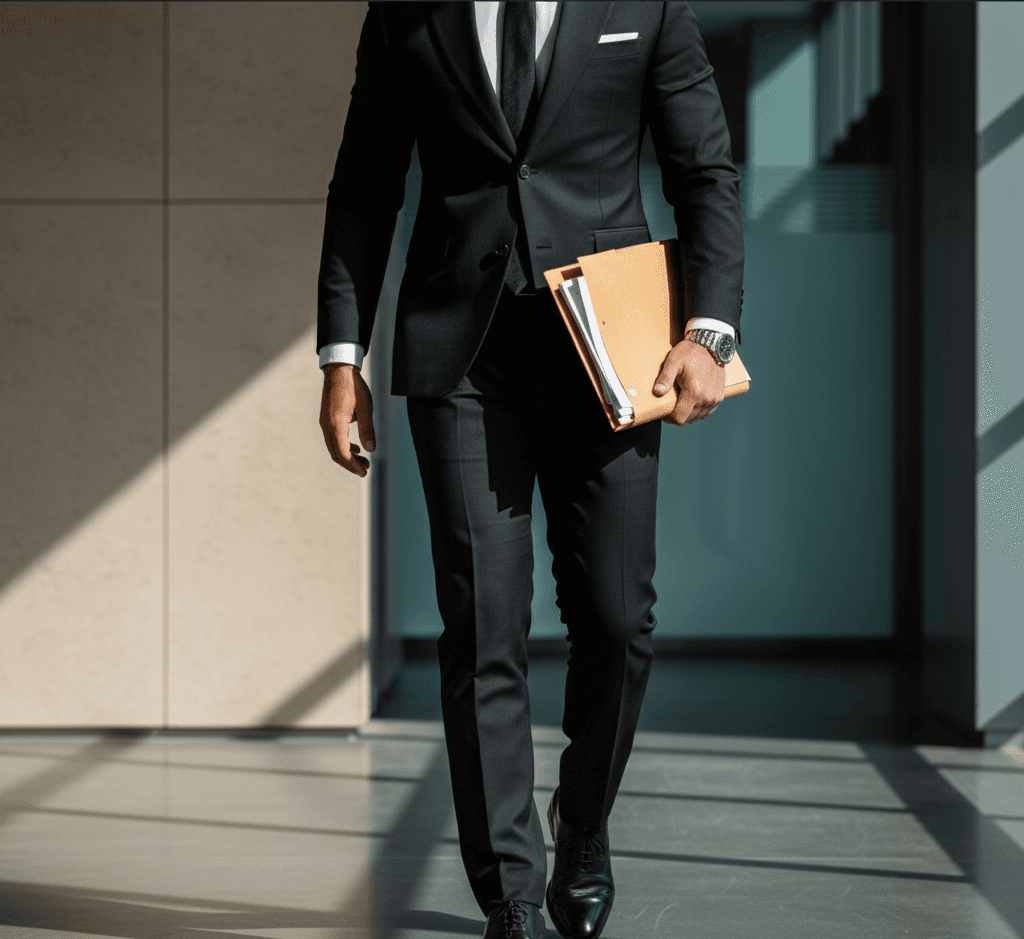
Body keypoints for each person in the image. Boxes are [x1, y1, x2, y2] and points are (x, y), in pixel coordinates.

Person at [316, 4, 743, 937]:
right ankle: (509, 890)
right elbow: (366, 180)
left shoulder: (647, 4)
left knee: (617, 617)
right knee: (481, 626)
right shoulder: (404, 11)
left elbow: (703, 170)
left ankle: (582, 825)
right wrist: (341, 355)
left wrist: (709, 331)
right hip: (463, 362)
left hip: (614, 353)